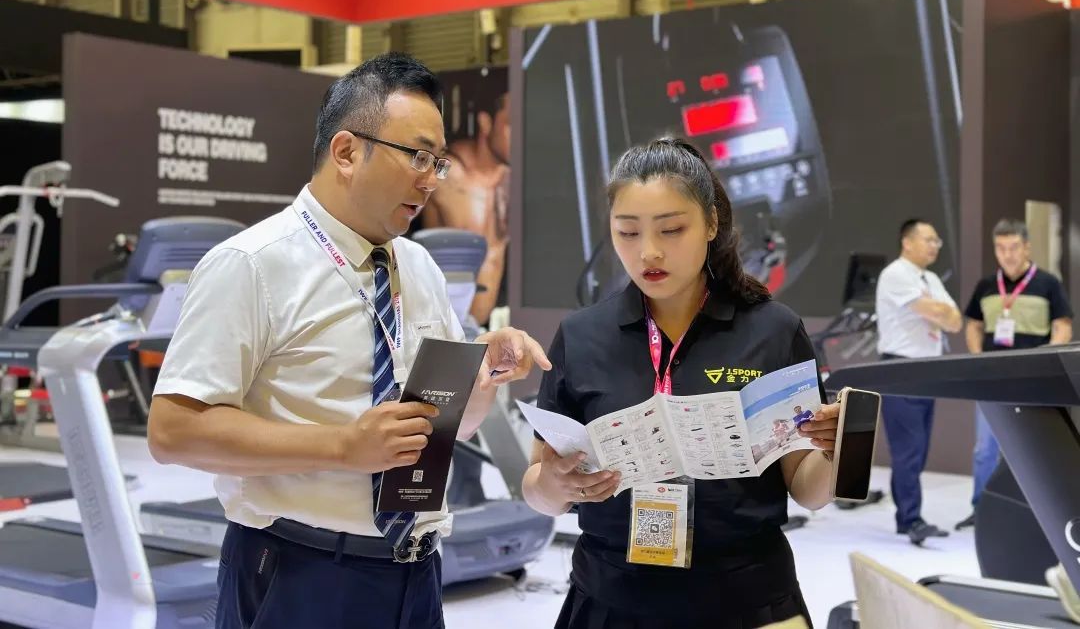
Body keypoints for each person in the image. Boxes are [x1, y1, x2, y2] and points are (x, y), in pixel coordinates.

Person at [146, 53, 550, 629]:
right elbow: (172, 431)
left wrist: (481, 376)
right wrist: (341, 446)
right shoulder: (251, 264)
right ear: (346, 151)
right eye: (417, 156)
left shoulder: (420, 267)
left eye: (438, 161)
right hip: (300, 573)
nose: (431, 179)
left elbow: (450, 428)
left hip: (417, 571)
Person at [522, 138, 840, 629]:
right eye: (627, 232)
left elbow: (807, 488)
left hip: (747, 600)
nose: (648, 251)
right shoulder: (581, 337)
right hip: (612, 600)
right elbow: (539, 487)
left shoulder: (773, 331)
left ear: (711, 223)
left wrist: (838, 450)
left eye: (671, 229)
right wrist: (551, 484)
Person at [955, 218, 1073, 530]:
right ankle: (981, 511)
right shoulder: (986, 286)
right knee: (985, 450)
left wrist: (1043, 362)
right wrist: (977, 359)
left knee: (1035, 450)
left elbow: (1063, 326)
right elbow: (974, 325)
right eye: (1001, 248)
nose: (1007, 254)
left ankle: (1040, 513)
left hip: (1032, 383)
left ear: (1027, 248)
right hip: (992, 381)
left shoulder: (1048, 283)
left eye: (1014, 247)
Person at [875, 218, 962, 545]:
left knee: (919, 448)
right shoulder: (896, 274)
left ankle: (907, 517)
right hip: (901, 369)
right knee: (908, 449)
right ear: (907, 242)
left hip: (926, 369)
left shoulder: (931, 278)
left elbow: (955, 321)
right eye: (929, 239)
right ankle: (911, 519)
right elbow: (939, 314)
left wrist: (939, 311)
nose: (935, 245)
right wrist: (939, 311)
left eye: (937, 240)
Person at [420, 89, 510, 326]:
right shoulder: (446, 174)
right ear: (485, 123)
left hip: (490, 325)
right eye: (511, 125)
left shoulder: (513, 181)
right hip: (441, 323)